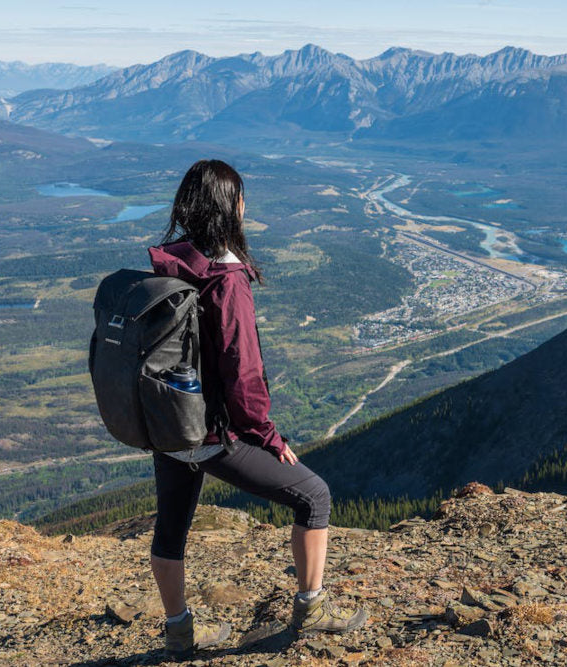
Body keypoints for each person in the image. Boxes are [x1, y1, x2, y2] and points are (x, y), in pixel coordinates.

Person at [147, 159, 366, 660]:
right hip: (210, 434)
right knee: (314, 496)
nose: (246, 206)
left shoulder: (170, 261)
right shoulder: (226, 280)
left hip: (168, 425)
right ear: (229, 207)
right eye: (241, 198)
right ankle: (312, 608)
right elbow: (244, 378)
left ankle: (179, 633)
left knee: (171, 527)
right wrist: (269, 438)